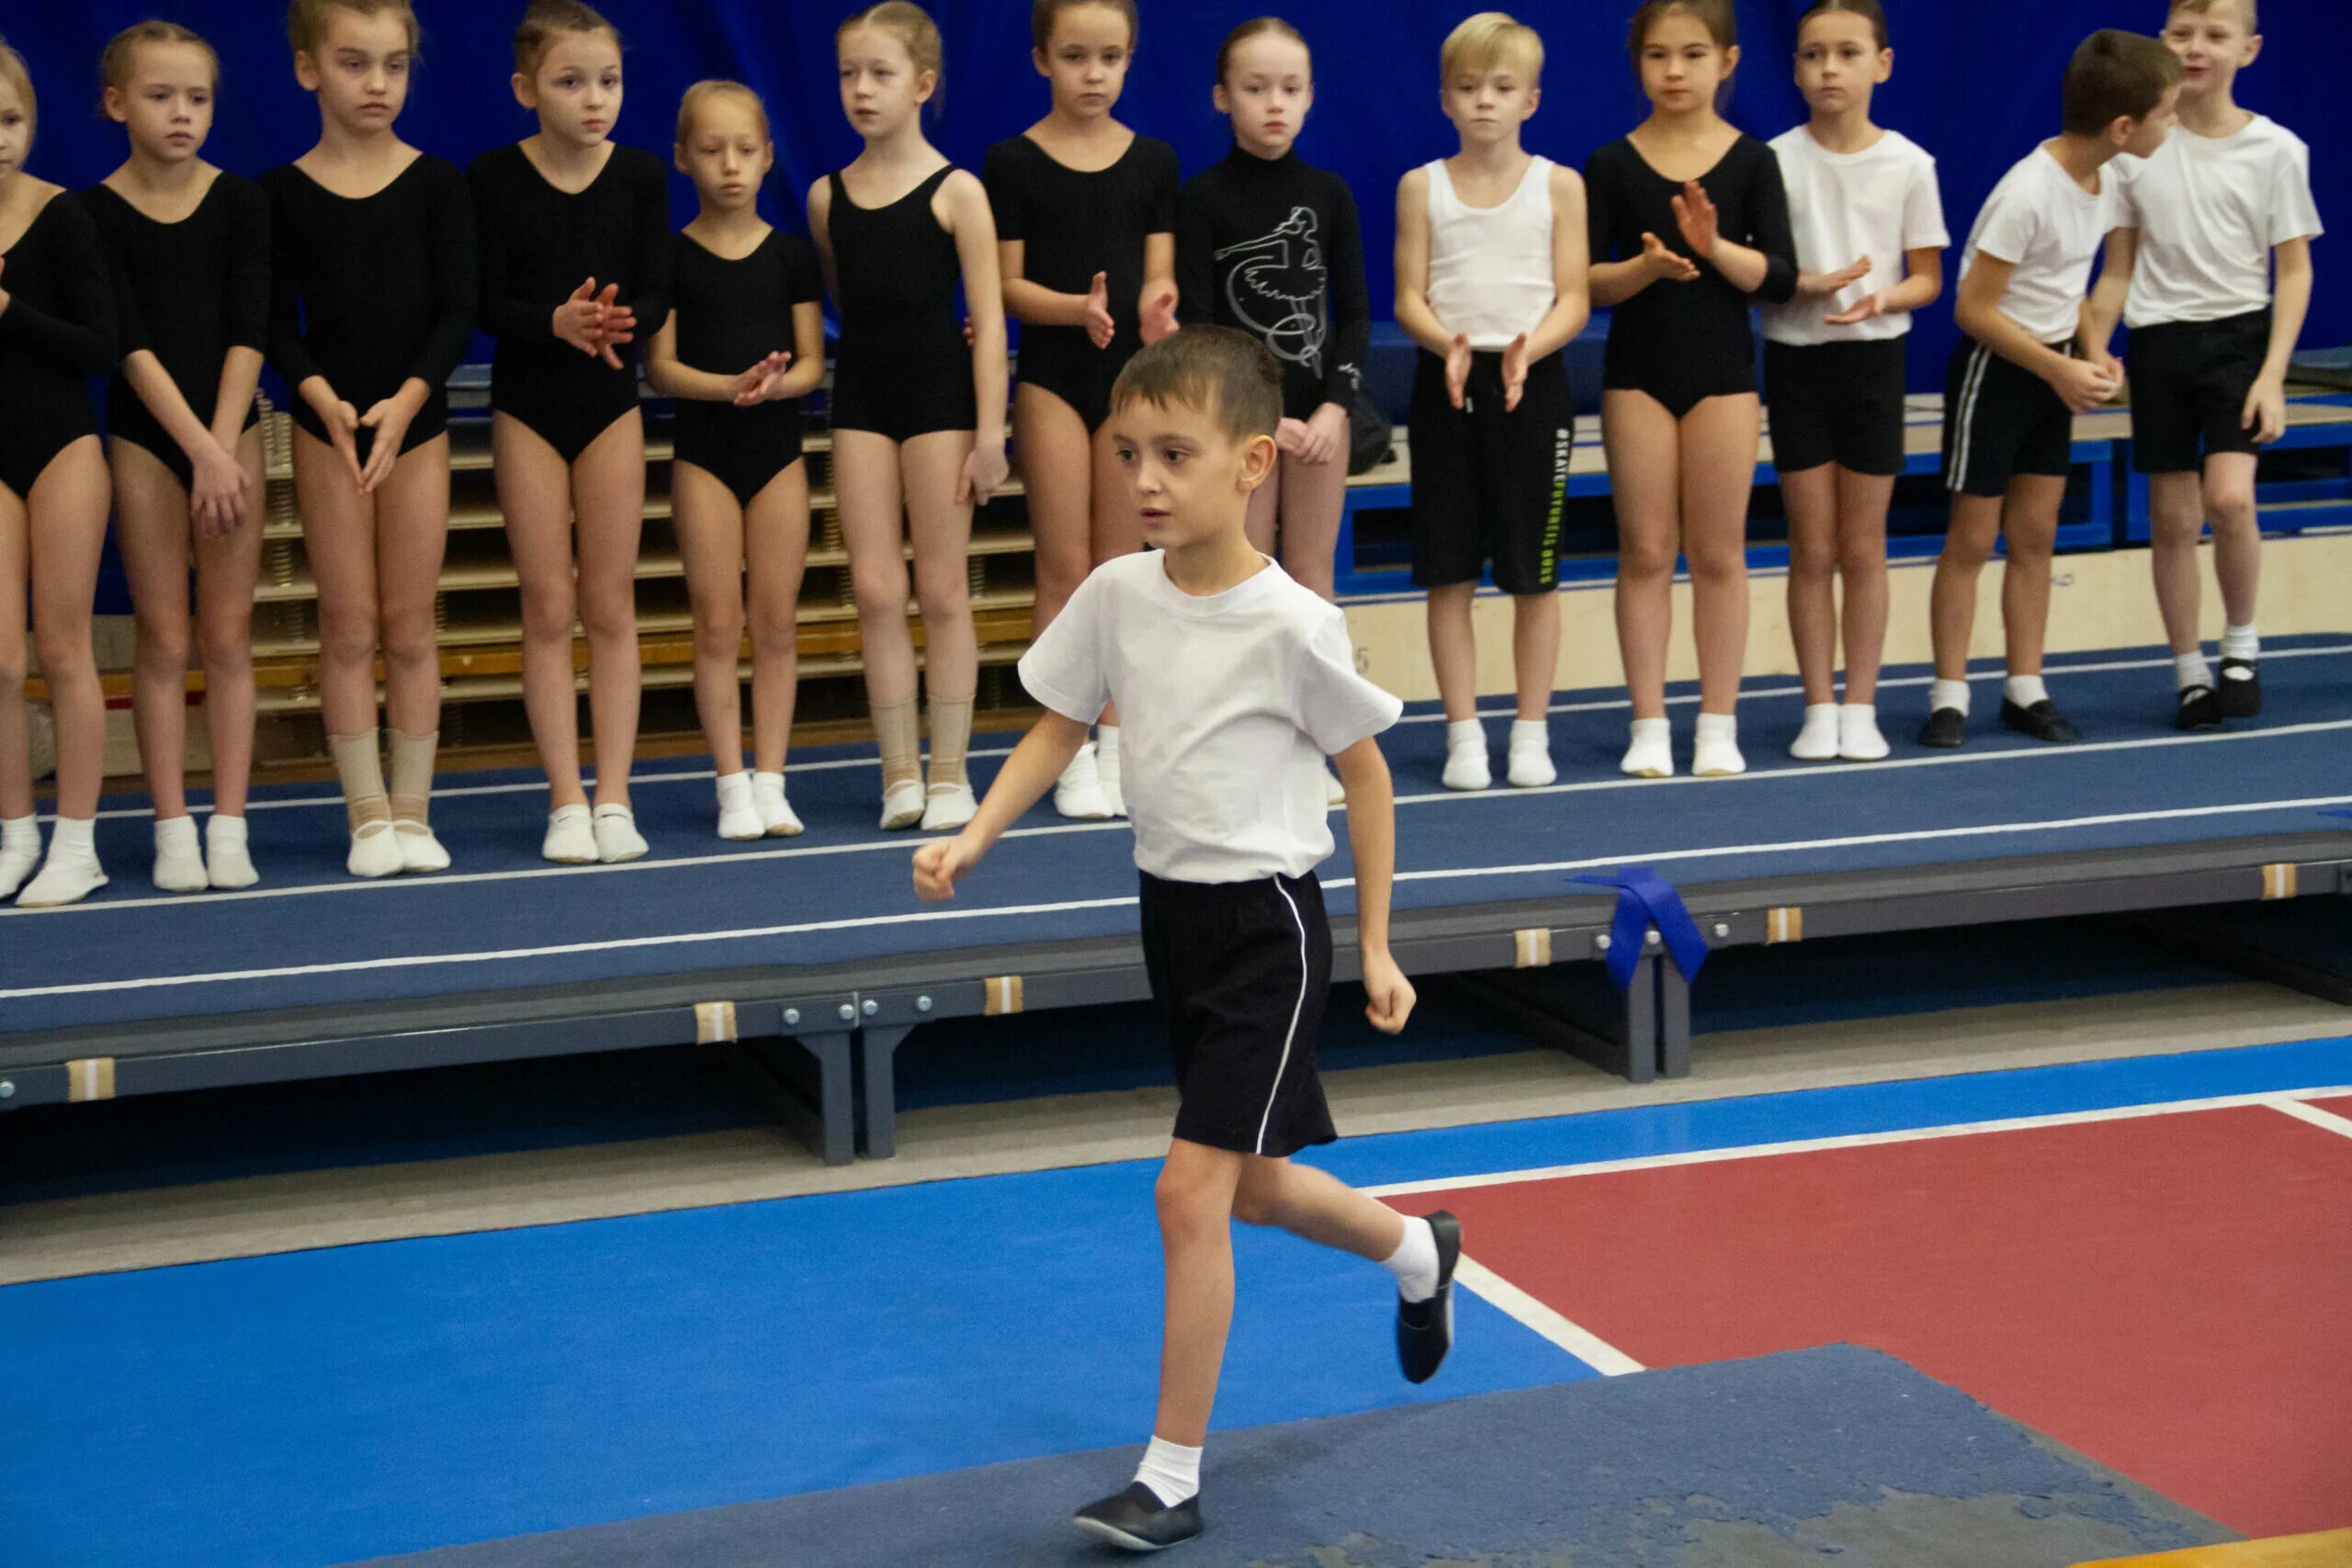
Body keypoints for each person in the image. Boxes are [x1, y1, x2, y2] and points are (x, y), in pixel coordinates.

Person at [914, 328, 1454, 1554]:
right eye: (1127, 453)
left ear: (1253, 461)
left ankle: (1170, 1473)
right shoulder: (1116, 593)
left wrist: (1374, 941)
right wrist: (980, 831)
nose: (1145, 476)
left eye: (1175, 452)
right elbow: (1059, 726)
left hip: (1270, 927)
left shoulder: (1292, 622)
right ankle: (1420, 1247)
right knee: (1253, 1185)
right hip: (1174, 921)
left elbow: (1365, 780)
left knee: (1187, 1189)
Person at [1924, 31, 2182, 748]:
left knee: (2035, 532)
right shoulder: (2027, 192)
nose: (2173, 123)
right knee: (1973, 537)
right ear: (2123, 128)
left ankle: (2025, 686)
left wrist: (2094, 351)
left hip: (2051, 367)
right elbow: (1972, 310)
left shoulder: (2107, 180)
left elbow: (2066, 285)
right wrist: (2057, 365)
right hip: (1997, 371)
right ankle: (1949, 694)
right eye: (2167, 113)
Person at [264, 0, 473, 878]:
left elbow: (458, 309)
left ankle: (416, 813)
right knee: (348, 623)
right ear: (310, 69)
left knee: (409, 623)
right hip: (327, 425)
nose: (376, 83)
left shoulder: (437, 185)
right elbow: (273, 322)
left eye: (392, 65)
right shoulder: (278, 194)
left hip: (414, 421)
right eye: (354, 64)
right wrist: (326, 401)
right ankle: (366, 815)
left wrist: (406, 399)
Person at [471, 0, 672, 864]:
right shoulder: (492, 177)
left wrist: (617, 321)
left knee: (611, 603)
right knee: (548, 605)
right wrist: (552, 322)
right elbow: (481, 303)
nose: (595, 99)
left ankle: (616, 795)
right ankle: (564, 797)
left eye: (609, 81)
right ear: (526, 89)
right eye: (571, 82)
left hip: (609, 403)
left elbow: (661, 289)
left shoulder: (638, 177)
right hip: (527, 405)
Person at [2086, 0, 2320, 730]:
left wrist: (2273, 373)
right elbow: (2117, 268)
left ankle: (2241, 643)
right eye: (2182, 34)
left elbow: (2295, 270)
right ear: (2161, 43)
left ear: (2247, 50)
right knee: (2172, 515)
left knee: (2230, 499)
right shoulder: (2136, 148)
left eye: (2215, 36)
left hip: (2239, 341)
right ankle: (2189, 669)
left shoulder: (2276, 149)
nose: (2197, 48)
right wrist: (2091, 346)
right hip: (2160, 342)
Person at [1585, 0, 1797, 780]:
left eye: (1693, 55)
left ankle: (1716, 719)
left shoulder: (1752, 161)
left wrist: (1713, 248)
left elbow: (1778, 277)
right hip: (1637, 376)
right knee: (1644, 549)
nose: (1675, 71)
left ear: (1728, 61)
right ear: (1637, 63)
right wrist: (1644, 268)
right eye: (1658, 56)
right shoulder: (1611, 163)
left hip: (1723, 378)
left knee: (1718, 551)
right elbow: (1581, 282)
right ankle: (1648, 721)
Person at [812, 2, 1010, 833]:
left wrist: (991, 432)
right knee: (874, 587)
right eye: (851, 73)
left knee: (940, 588)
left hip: (940, 404)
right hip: (861, 400)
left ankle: (951, 772)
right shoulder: (829, 197)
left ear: (922, 85)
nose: (862, 89)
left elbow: (992, 318)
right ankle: (898, 771)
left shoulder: (958, 191)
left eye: (881, 74)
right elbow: (844, 300)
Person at [983, 0, 1179, 821]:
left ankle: (1118, 744)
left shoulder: (1154, 162)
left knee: (1124, 573)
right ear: (1041, 60)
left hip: (1129, 385)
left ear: (1130, 60)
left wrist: (1160, 308)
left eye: (1109, 58)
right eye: (1074, 57)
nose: (1092, 74)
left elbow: (1159, 272)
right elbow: (1004, 285)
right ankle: (1063, 749)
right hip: (1055, 379)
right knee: (1063, 572)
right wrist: (1076, 309)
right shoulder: (1013, 162)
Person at [86, 21, 269, 892]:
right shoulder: (91, 213)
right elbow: (125, 340)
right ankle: (170, 825)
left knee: (228, 636)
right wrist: (196, 447)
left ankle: (228, 822)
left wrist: (225, 444)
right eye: (161, 97)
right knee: (163, 636)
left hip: (231, 434)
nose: (182, 114)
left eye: (197, 98)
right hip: (149, 436)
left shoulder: (241, 203)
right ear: (117, 103)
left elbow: (250, 327)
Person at [1394, 11, 1589, 793]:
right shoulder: (1421, 186)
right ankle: (1464, 732)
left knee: (1534, 571)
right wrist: (1449, 344)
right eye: (1469, 88)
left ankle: (1531, 730)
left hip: (1530, 381)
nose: (1484, 102)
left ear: (1531, 100)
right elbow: (1408, 294)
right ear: (1445, 98)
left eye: (1502, 88)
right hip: (1447, 380)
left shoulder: (1560, 185)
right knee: (1449, 571)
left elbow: (1574, 298)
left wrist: (1525, 349)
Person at [1176, 17, 1368, 805]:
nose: (1274, 105)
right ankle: (1239, 744)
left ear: (1311, 95)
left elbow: (1353, 314)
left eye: (1291, 89)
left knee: (1311, 580)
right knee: (1245, 579)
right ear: (1224, 98)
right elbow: (1198, 323)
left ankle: (1311, 744)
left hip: (1320, 418)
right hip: (1240, 423)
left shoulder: (1328, 195)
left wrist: (1333, 407)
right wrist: (1258, 415)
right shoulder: (1202, 199)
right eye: (1256, 90)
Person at [1762, 0, 1946, 763]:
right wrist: (1802, 285)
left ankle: (1861, 702)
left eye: (1845, 53)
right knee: (1812, 544)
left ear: (1882, 64)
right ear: (1796, 67)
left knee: (1863, 545)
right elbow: (1764, 276)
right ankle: (1816, 703)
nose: (1828, 69)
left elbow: (1929, 277)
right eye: (1812, 55)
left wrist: (1883, 297)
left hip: (1875, 359)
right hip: (1797, 359)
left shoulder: (1908, 163)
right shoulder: (1772, 158)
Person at [645, 81, 824, 840]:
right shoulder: (671, 256)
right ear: (683, 157)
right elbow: (659, 367)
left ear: (768, 157)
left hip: (778, 451)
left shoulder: (789, 256)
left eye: (745, 151)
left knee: (776, 622)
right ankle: (729, 782)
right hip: (705, 454)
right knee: (718, 623)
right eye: (712, 150)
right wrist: (731, 386)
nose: (730, 166)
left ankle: (773, 778)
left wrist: (779, 384)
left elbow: (816, 360)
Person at [0, 37, 119, 908]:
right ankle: (15, 830)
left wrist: (8, 308)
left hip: (63, 446)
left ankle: (78, 840)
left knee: (64, 645)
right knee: (0, 661)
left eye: (10, 119)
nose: (0, 138)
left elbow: (100, 348)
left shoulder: (64, 216)